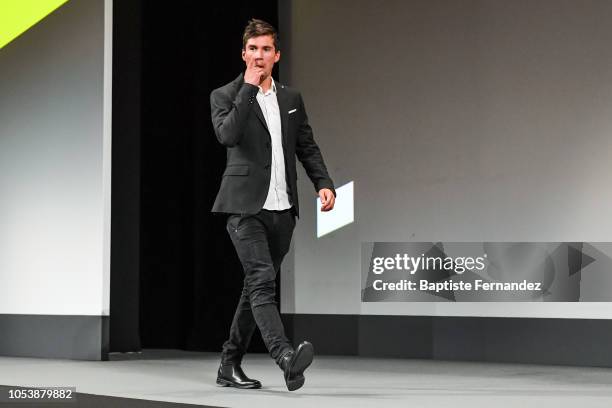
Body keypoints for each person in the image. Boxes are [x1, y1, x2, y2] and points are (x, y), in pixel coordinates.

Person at [209, 18, 336, 391]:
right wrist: (248, 88)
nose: (260, 56)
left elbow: (306, 146)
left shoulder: (291, 99)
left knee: (255, 288)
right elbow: (228, 135)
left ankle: (228, 365)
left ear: (276, 55)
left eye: (267, 49)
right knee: (262, 282)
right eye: (253, 49)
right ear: (243, 53)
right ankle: (284, 357)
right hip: (244, 208)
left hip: (283, 210)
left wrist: (323, 183)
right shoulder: (224, 95)